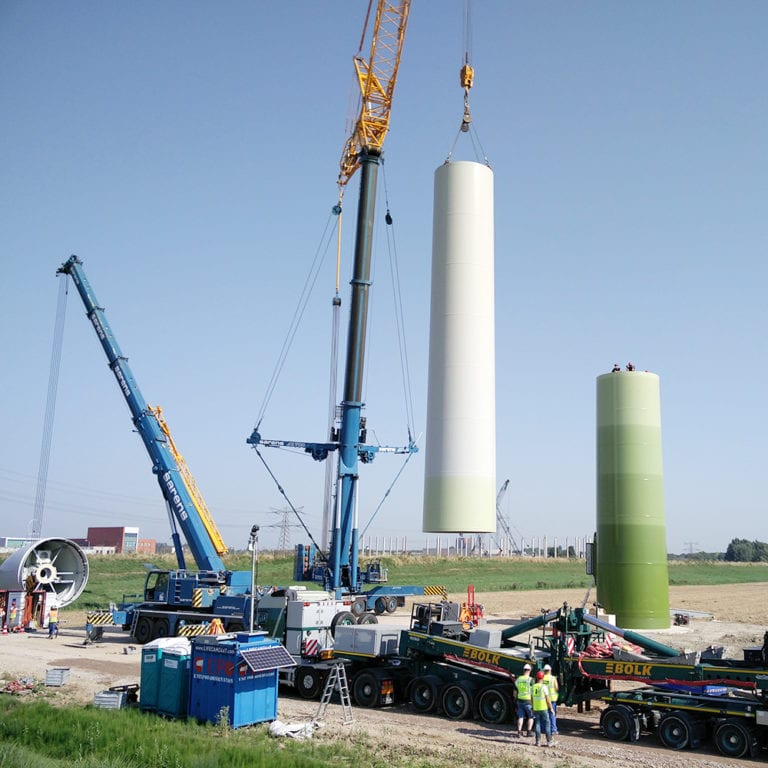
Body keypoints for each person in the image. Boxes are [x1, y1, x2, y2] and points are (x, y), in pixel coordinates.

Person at [532, 670, 555, 747]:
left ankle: (538, 741)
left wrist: (533, 707)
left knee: (537, 724)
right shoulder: (544, 687)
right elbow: (548, 699)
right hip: (544, 708)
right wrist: (551, 708)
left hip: (536, 708)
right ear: (543, 678)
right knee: (547, 724)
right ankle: (549, 741)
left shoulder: (533, 687)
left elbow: (531, 699)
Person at [515, 663, 534, 737]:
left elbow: (516, 686)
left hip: (520, 700)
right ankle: (529, 731)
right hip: (528, 700)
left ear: (523, 670)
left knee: (520, 716)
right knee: (531, 716)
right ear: (530, 670)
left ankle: (519, 732)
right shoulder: (531, 680)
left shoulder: (519, 679)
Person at [542, 663, 559, 735]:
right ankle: (553, 729)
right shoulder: (553, 678)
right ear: (550, 670)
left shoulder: (542, 678)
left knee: (544, 715)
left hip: (543, 699)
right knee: (552, 714)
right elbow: (556, 688)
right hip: (552, 699)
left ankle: (543, 729)